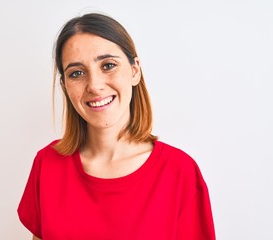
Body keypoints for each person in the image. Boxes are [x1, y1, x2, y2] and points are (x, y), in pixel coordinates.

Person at [18, 13, 215, 240]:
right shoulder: (47, 164)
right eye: (77, 73)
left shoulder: (180, 172)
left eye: (108, 65)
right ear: (65, 86)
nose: (94, 85)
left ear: (134, 70)